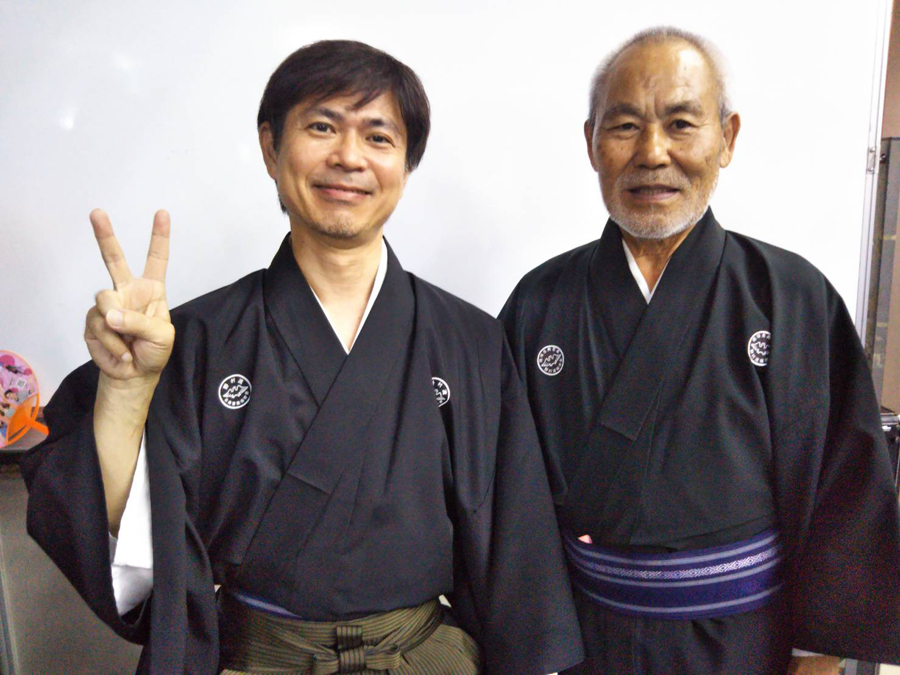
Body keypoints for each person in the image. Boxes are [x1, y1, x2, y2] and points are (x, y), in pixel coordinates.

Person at [22, 40, 584, 674]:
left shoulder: (470, 342)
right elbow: (143, 551)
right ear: (271, 148)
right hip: (258, 660)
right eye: (322, 127)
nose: (349, 156)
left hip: (425, 657)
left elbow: (518, 558)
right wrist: (126, 392)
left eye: (378, 137)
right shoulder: (195, 339)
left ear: (405, 165)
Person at [500, 27, 900, 675]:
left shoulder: (792, 296)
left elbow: (844, 489)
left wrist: (817, 654)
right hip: (585, 640)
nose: (652, 152)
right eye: (624, 126)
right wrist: (533, 647)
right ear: (592, 143)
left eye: (681, 124)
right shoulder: (538, 303)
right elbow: (506, 496)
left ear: (727, 138)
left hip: (747, 643)